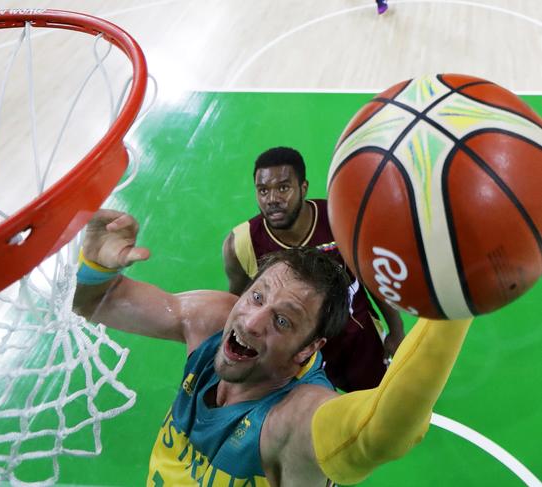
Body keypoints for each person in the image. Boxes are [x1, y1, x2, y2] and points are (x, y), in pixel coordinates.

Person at [73, 209, 472, 486]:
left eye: (283, 321)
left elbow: (383, 431)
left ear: (307, 349)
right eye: (258, 297)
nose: (250, 321)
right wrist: (95, 266)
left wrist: (456, 305)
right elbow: (93, 301)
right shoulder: (213, 320)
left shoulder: (294, 418)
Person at [222, 146, 405, 391]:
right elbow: (236, 302)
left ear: (304, 188)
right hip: (295, 357)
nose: (272, 199)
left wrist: (396, 331)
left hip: (359, 341)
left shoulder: (340, 218)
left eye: (283, 188)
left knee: (376, 404)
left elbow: (372, 279)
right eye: (263, 190)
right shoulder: (242, 244)